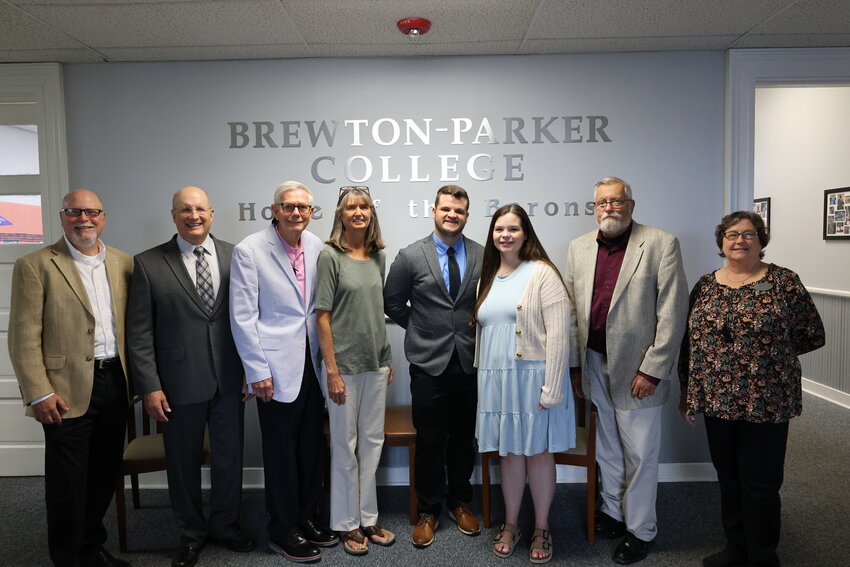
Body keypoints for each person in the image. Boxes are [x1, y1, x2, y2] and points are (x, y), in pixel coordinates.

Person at [678, 211, 825, 567]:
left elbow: (811, 334)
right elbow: (690, 343)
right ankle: (737, 546)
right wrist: (687, 392)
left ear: (761, 241)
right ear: (721, 242)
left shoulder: (784, 282)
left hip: (767, 399)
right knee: (729, 477)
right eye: (732, 234)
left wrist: (765, 359)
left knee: (760, 483)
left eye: (749, 234)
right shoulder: (706, 285)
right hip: (717, 400)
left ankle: (762, 555)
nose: (740, 240)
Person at [127, 186, 254, 567]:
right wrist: (149, 386)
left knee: (230, 458)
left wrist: (253, 368)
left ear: (212, 213)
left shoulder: (238, 256)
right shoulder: (148, 263)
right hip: (177, 383)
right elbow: (139, 332)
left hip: (231, 378)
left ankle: (225, 525)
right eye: (185, 210)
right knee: (181, 462)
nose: (193, 216)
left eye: (200, 209)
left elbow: (251, 318)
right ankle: (191, 533)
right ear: (173, 215)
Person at [565, 176, 688, 565]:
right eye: (602, 203)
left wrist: (653, 370)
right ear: (594, 207)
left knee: (640, 454)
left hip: (639, 371)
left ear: (631, 206)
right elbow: (571, 312)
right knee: (609, 449)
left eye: (617, 201)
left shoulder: (660, 244)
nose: (609, 209)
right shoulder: (579, 247)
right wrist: (574, 367)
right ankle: (614, 514)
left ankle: (642, 530)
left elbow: (672, 312)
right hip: (595, 363)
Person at [8, 189, 133, 567]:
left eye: (92, 212)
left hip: (116, 382)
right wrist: (38, 392)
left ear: (103, 217)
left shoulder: (123, 263)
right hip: (63, 391)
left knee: (103, 472)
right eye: (75, 212)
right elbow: (23, 336)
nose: (85, 219)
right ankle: (67, 558)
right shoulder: (36, 264)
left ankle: (90, 548)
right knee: (67, 483)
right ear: (62, 217)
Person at [229, 181, 337, 563]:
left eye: (303, 207)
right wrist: (256, 369)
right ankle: (282, 529)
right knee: (280, 453)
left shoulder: (317, 245)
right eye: (288, 206)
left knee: (310, 448)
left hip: (312, 362)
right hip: (273, 368)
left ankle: (307, 519)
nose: (296, 213)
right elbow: (243, 317)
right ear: (274, 209)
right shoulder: (250, 250)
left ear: (311, 212)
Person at [473, 204, 575, 564]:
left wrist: (553, 389)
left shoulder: (542, 273)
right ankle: (512, 522)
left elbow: (560, 335)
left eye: (513, 229)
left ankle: (543, 526)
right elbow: (486, 333)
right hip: (498, 382)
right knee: (510, 454)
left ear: (526, 233)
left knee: (538, 453)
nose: (505, 235)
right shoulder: (488, 275)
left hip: (534, 379)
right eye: (499, 229)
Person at [384, 185, 484, 547]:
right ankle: (428, 509)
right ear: (434, 211)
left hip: (469, 362)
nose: (452, 215)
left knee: (461, 438)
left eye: (459, 210)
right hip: (428, 363)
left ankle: (460, 502)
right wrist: (423, 328)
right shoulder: (411, 256)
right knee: (429, 440)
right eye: (446, 209)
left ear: (467, 215)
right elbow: (393, 303)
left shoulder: (481, 255)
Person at [316, 186, 395, 555]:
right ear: (341, 214)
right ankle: (345, 523)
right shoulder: (330, 255)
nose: (359, 211)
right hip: (342, 368)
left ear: (371, 213)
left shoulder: (378, 256)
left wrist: (387, 356)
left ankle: (368, 518)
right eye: (351, 207)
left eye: (364, 205)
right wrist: (331, 369)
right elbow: (322, 316)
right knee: (345, 447)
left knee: (372, 444)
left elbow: (376, 311)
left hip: (376, 364)